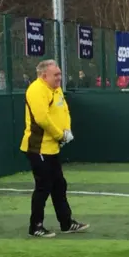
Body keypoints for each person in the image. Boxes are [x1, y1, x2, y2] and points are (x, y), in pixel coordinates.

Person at [20, 59, 89, 238]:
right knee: (43, 187)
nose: (59, 77)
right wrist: (60, 135)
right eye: (56, 75)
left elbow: (63, 110)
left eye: (59, 74)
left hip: (52, 148)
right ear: (44, 76)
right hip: (38, 147)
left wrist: (67, 131)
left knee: (59, 185)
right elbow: (42, 119)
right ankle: (35, 226)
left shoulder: (55, 89)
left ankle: (66, 223)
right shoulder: (36, 90)